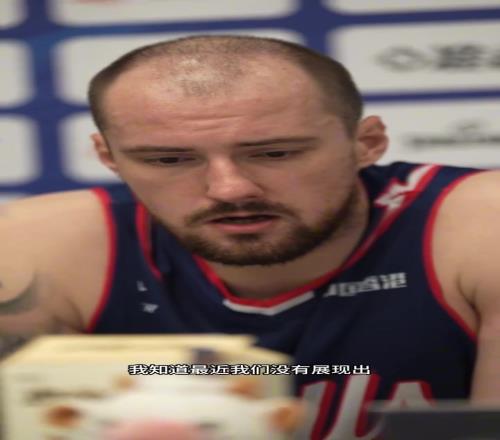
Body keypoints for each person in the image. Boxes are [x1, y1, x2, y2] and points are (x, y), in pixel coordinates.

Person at [1, 34, 500, 439]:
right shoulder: (35, 249)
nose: (229, 189)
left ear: (366, 144)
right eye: (169, 160)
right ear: (109, 157)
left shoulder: (479, 225)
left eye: (275, 153)